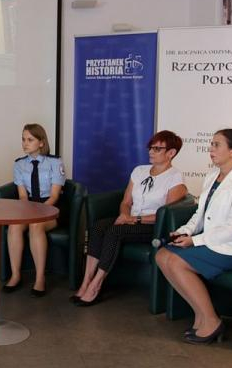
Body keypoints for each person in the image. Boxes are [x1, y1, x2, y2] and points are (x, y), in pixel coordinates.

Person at [156, 128, 232, 344]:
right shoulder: (213, 175)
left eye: (216, 145)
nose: (210, 149)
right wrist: (186, 231)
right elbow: (200, 214)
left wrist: (195, 240)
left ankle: (211, 320)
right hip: (211, 243)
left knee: (175, 261)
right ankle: (201, 314)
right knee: (162, 256)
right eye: (211, 144)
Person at [74, 130, 188, 306]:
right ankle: (85, 281)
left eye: (157, 148)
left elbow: (166, 215)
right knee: (97, 227)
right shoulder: (139, 171)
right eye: (150, 147)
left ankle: (96, 285)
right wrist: (125, 214)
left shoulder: (175, 177)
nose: (151, 151)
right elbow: (126, 201)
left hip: (152, 226)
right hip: (131, 219)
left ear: (171, 153)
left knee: (114, 232)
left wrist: (135, 220)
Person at [3, 124, 65, 297]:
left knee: (36, 225)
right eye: (23, 139)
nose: (25, 143)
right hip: (28, 207)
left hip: (50, 208)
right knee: (14, 226)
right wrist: (28, 211)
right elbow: (23, 196)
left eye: (30, 140)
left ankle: (39, 279)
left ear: (41, 142)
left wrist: (39, 212)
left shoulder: (55, 162)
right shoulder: (19, 165)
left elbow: (54, 196)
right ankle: (15, 275)